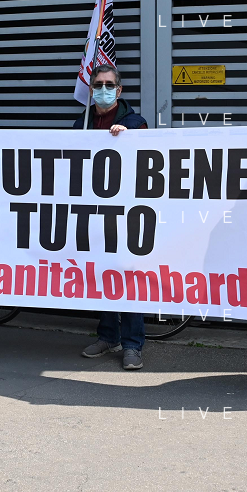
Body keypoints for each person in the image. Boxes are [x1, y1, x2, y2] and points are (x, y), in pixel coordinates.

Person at [73, 64, 150, 371]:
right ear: (91, 89)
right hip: (94, 212)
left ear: (119, 90)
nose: (103, 89)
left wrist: (129, 140)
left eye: (109, 84)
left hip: (127, 213)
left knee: (128, 276)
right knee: (102, 274)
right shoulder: (82, 124)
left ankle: (132, 344)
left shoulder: (135, 123)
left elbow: (148, 161)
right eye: (98, 84)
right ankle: (108, 336)